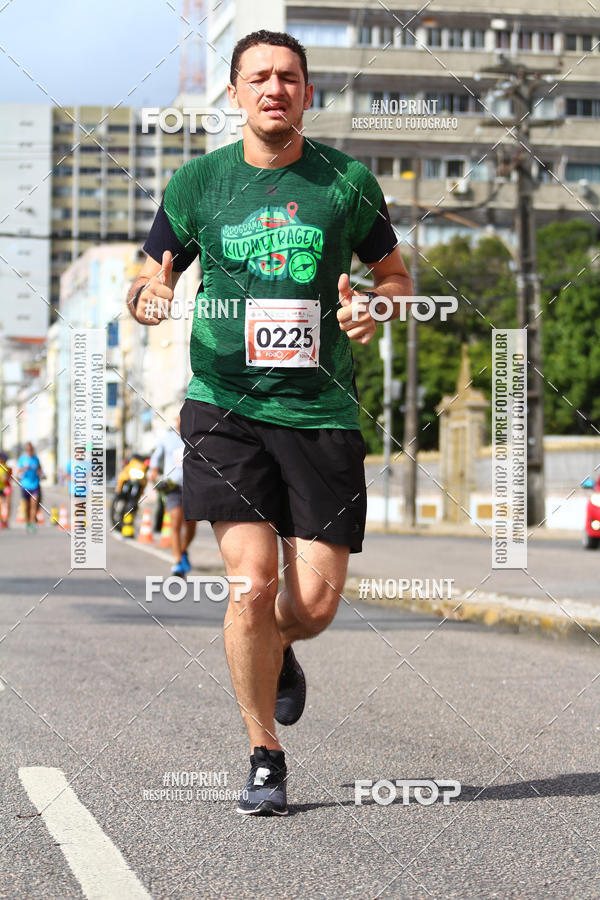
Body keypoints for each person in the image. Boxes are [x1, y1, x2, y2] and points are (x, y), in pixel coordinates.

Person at [126, 30, 412, 815]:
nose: (274, 88)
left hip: (320, 412)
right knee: (251, 585)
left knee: (312, 606)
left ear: (307, 93)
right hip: (225, 407)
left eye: (289, 76)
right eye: (258, 77)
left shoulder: (346, 182)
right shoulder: (199, 183)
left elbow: (393, 275)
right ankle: (264, 755)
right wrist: (150, 297)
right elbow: (148, 277)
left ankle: (278, 648)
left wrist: (377, 307)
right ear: (235, 94)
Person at [148, 417, 196, 576]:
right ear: (176, 421)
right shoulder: (167, 438)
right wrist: (154, 470)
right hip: (173, 487)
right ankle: (177, 562)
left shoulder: (196, 437)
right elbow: (155, 458)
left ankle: (182, 550)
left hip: (192, 487)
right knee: (175, 522)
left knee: (191, 527)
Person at [17, 442, 44, 532]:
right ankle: (28, 522)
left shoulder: (36, 459)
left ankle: (32, 523)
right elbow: (17, 471)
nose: (29, 451)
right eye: (28, 450)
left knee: (34, 504)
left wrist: (41, 473)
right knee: (27, 506)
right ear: (26, 450)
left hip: (35, 485)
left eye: (31, 449)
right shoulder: (22, 459)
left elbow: (40, 469)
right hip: (25, 485)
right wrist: (24, 468)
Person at [0, 452, 12, 528]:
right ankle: (2, 521)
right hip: (0, 488)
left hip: (7, 487)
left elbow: (8, 478)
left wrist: (6, 478)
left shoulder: (8, 468)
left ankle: (6, 521)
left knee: (8, 504)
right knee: (1, 504)